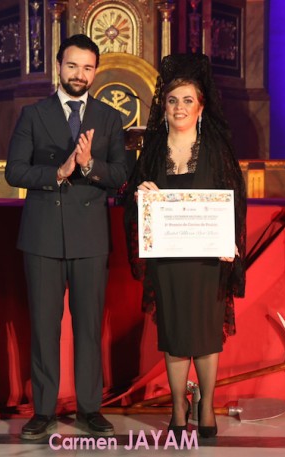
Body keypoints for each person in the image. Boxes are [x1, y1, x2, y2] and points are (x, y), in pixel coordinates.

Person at [5, 34, 127, 440]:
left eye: (87, 68)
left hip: (91, 237)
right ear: (59, 66)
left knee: (89, 327)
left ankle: (90, 408)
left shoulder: (109, 118)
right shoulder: (33, 114)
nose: (79, 74)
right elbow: (14, 171)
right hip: (42, 236)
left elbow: (121, 174)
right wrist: (58, 172)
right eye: (72, 66)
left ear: (96, 71)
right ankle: (43, 410)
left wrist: (90, 165)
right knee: (44, 327)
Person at [123, 53, 246, 438]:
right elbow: (131, 197)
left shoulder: (217, 149)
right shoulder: (153, 149)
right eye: (172, 100)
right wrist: (140, 193)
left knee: (206, 335)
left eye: (187, 100)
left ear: (201, 106)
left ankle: (205, 405)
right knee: (175, 335)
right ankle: (178, 406)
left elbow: (235, 200)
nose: (179, 107)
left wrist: (230, 240)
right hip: (168, 259)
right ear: (164, 105)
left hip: (208, 260)